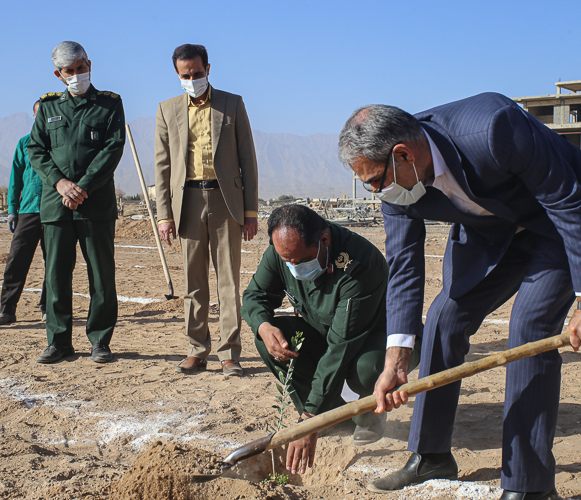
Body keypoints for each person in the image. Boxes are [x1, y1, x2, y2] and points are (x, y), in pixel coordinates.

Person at [337, 94, 581, 500]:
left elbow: (566, 199)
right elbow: (404, 266)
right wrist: (396, 360)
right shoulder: (397, 186)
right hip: (495, 234)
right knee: (443, 320)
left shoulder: (493, 129)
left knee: (529, 326)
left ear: (403, 154)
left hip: (561, 224)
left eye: (376, 180)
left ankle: (529, 486)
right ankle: (430, 455)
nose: (376, 192)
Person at [241, 205, 420, 474]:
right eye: (287, 261)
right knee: (271, 340)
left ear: (324, 241)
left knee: (365, 369)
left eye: (300, 261)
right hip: (327, 333)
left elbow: (341, 348)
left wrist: (308, 421)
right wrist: (263, 326)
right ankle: (332, 418)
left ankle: (368, 418)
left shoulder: (359, 264)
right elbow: (255, 296)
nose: (293, 267)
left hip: (380, 341)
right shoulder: (284, 250)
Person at [154, 44, 258, 377]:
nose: (192, 79)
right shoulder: (167, 110)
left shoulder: (232, 104)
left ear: (208, 69)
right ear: (177, 74)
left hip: (226, 202)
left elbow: (248, 160)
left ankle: (230, 354)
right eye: (185, 75)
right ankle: (196, 350)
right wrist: (164, 215)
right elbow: (162, 166)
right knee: (193, 282)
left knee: (228, 282)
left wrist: (251, 212)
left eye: (197, 73)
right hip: (187, 203)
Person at [27, 41, 125, 365]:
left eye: (81, 67)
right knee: (56, 276)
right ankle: (58, 343)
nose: (76, 74)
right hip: (56, 206)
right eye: (69, 71)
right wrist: (60, 183)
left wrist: (82, 186)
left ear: (89, 65)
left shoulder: (110, 104)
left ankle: (100, 341)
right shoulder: (48, 107)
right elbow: (35, 149)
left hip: (95, 205)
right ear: (58, 74)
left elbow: (113, 148)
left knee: (101, 276)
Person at [0, 99, 47, 326]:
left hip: (55, 211)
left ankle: (48, 308)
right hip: (28, 210)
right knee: (17, 260)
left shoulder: (62, 142)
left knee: (55, 263)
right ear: (34, 116)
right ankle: (7, 310)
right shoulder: (24, 143)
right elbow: (15, 180)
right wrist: (12, 210)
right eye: (39, 113)